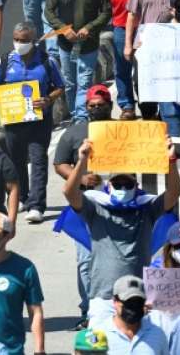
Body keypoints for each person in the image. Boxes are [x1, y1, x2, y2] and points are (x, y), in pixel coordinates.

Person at [63, 137, 180, 324]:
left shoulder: (147, 209)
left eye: (128, 185)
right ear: (108, 186)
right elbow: (69, 193)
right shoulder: (96, 208)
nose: (123, 188)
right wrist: (82, 161)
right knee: (100, 352)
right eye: (118, 185)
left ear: (137, 187)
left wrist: (171, 162)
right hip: (104, 298)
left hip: (137, 296)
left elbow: (174, 193)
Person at [52, 84, 112, 326]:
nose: (96, 109)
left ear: (109, 105)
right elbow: (59, 164)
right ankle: (89, 310)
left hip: (119, 202)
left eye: (101, 105)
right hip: (85, 202)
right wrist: (82, 178)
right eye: (92, 106)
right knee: (86, 259)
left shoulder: (126, 131)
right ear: (86, 107)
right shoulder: (74, 133)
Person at [0, 22, 64, 224]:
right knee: (16, 161)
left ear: (33, 40)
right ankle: (23, 197)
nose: (19, 44)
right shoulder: (5, 61)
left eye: (24, 40)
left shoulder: (47, 61)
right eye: (16, 39)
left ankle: (37, 205)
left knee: (38, 160)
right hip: (14, 120)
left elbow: (60, 86)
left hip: (39, 119)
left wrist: (48, 99)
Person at [45, 0, 112, 123]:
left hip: (88, 44)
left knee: (84, 82)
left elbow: (106, 12)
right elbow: (49, 11)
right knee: (69, 82)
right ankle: (75, 114)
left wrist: (89, 28)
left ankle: (81, 118)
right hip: (65, 45)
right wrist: (64, 29)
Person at [97, 0, 156, 119]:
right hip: (121, 24)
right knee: (122, 67)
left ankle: (148, 106)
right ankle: (127, 105)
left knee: (147, 68)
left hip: (150, 25)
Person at [0, 212, 45, 355]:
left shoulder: (24, 268)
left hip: (10, 350)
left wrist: (39, 350)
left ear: (7, 236)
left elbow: (35, 312)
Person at [96, 275, 169, 353]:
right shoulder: (98, 334)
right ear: (115, 301)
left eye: (139, 302)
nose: (134, 307)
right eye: (129, 302)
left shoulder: (157, 335)